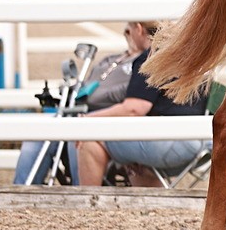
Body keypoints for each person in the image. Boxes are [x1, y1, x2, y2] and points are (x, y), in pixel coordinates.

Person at [75, 21, 210, 187]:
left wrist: (86, 120)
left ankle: (88, 202)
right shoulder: (189, 54)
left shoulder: (151, 57)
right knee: (130, 142)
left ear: (138, 29)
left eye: (128, 30)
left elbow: (134, 109)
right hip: (199, 145)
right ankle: (150, 206)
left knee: (90, 138)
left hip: (167, 146)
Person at [13, 25, 143, 185]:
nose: (127, 34)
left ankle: (79, 191)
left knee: (76, 136)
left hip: (107, 115)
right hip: (80, 110)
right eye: (126, 31)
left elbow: (131, 99)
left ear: (140, 31)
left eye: (130, 30)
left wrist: (92, 98)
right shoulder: (110, 60)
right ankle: (22, 189)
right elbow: (88, 83)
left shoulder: (142, 64)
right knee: (38, 135)